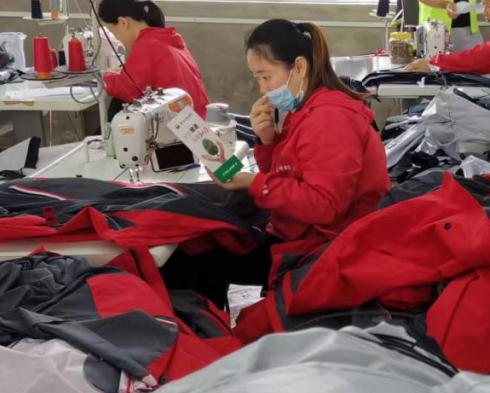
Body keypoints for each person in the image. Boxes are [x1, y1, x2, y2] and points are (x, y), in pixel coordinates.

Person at [161, 19, 390, 307]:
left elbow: (323, 204)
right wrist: (268, 141)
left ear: (299, 67)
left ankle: (202, 328)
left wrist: (253, 182)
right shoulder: (305, 109)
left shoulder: (330, 118)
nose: (263, 89)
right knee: (202, 232)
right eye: (257, 78)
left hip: (325, 245)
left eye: (265, 77)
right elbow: (286, 175)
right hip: (301, 228)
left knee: (189, 259)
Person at [97, 0, 210, 117]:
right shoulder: (169, 40)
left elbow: (128, 90)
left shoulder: (147, 45)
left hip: (179, 122)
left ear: (123, 23)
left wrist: (104, 76)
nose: (118, 39)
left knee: (118, 108)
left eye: (113, 32)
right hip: (198, 118)